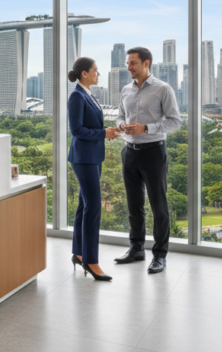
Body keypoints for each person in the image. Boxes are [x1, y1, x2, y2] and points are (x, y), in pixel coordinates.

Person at [114, 46, 183, 274]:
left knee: (159, 206)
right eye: (127, 63)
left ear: (146, 64)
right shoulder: (125, 90)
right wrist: (122, 126)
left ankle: (160, 256)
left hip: (153, 152)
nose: (128, 67)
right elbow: (120, 116)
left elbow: (175, 121)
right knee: (134, 205)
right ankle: (136, 248)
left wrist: (146, 127)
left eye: (132, 63)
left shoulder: (163, 89)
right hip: (129, 152)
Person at [67, 57, 120, 281]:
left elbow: (92, 125)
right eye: (95, 71)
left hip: (93, 157)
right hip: (84, 158)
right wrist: (103, 134)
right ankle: (91, 261)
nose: (99, 74)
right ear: (84, 74)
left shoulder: (89, 95)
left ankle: (79, 254)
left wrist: (108, 131)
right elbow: (76, 130)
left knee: (84, 205)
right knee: (94, 207)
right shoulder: (76, 96)